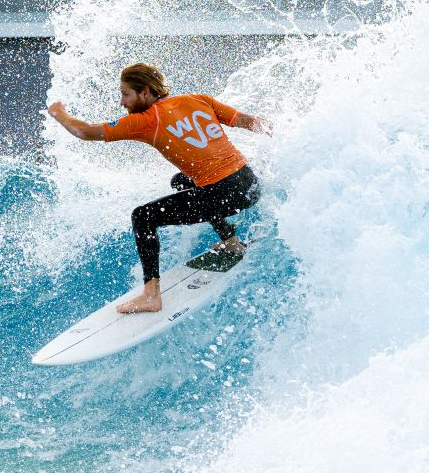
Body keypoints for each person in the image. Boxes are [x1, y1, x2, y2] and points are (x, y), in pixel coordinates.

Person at [46, 62, 268, 314]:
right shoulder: (198, 99)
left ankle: (151, 295)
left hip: (222, 195)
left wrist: (59, 113)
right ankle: (231, 241)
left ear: (146, 92)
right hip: (249, 184)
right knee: (181, 181)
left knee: (142, 216)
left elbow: (84, 131)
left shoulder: (147, 120)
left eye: (125, 94)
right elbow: (248, 121)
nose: (122, 102)